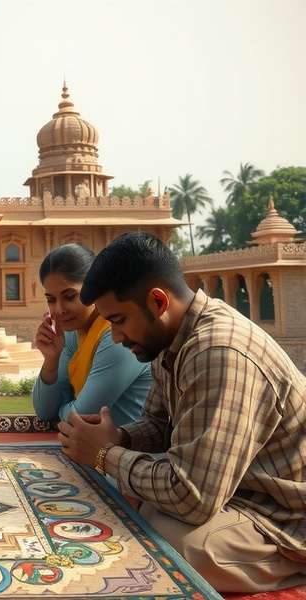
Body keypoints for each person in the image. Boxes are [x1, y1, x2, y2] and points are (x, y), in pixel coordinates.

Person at [58, 232, 306, 593]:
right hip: (238, 490)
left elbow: (192, 496)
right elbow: (160, 424)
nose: (116, 336)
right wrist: (121, 437)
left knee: (176, 544)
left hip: (284, 515)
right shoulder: (174, 339)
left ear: (158, 301)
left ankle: (293, 566)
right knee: (146, 511)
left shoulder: (219, 351)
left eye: (119, 320)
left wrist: (103, 455)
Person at [32, 244, 151, 426]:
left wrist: (62, 409)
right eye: (51, 299)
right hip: (93, 447)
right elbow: (45, 411)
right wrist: (50, 361)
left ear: (95, 287)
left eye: (70, 296)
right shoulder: (72, 332)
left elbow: (80, 416)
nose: (59, 310)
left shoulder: (118, 335)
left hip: (133, 450)